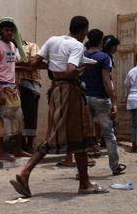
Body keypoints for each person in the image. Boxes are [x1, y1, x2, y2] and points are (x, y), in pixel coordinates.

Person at [10, 16, 108, 196]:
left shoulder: (53, 40)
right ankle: (25, 172)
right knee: (73, 133)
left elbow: (33, 64)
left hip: (55, 91)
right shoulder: (77, 46)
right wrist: (79, 70)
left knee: (78, 136)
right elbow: (71, 70)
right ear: (84, 31)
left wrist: (52, 67)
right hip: (69, 91)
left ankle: (84, 182)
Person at [82, 29, 125, 175]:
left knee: (85, 135)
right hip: (101, 98)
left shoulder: (82, 55)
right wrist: (113, 102)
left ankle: (81, 170)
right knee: (109, 134)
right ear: (101, 41)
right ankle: (115, 166)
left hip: (85, 98)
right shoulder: (104, 57)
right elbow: (107, 81)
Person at [0, 17, 31, 162]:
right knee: (0, 119)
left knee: (19, 118)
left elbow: (12, 67)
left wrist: (16, 86)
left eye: (12, 30)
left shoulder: (12, 47)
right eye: (6, 30)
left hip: (12, 88)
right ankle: (0, 152)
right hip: (2, 87)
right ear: (1, 31)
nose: (9, 32)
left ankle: (18, 150)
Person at [15, 40, 42, 153]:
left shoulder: (31, 46)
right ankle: (19, 145)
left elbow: (34, 63)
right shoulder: (7, 47)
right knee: (17, 116)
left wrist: (14, 65)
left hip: (30, 84)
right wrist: (24, 63)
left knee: (30, 115)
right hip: (14, 85)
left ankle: (29, 144)